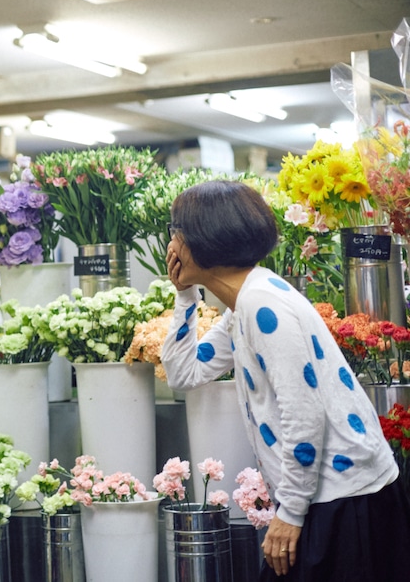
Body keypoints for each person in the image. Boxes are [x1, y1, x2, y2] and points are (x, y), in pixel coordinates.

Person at [159, 179, 410, 581]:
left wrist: (290, 513)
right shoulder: (245, 303)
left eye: (176, 230)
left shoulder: (262, 304)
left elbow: (303, 414)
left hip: (345, 499)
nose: (171, 243)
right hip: (325, 497)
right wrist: (185, 295)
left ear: (205, 240)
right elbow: (184, 372)